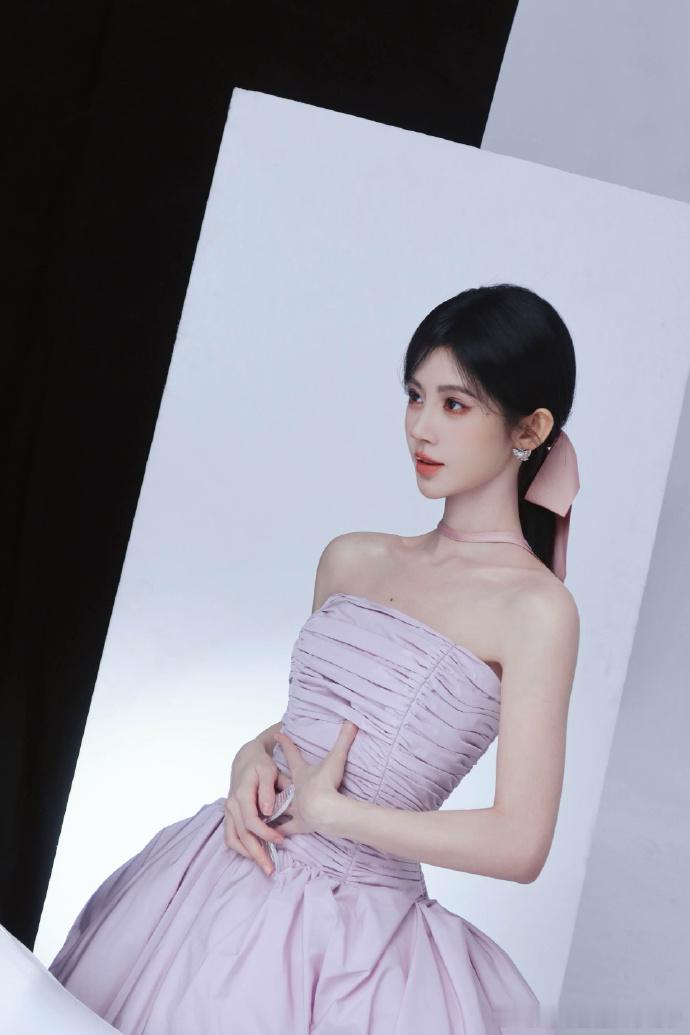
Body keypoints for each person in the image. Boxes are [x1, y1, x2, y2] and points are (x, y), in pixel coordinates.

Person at [49, 283, 580, 1033]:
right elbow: (319, 727)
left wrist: (340, 815)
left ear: (530, 427)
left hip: (352, 941)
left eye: (455, 405)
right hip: (217, 871)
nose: (421, 427)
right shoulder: (351, 557)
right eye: (414, 396)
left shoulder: (537, 610)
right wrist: (252, 752)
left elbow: (521, 843)